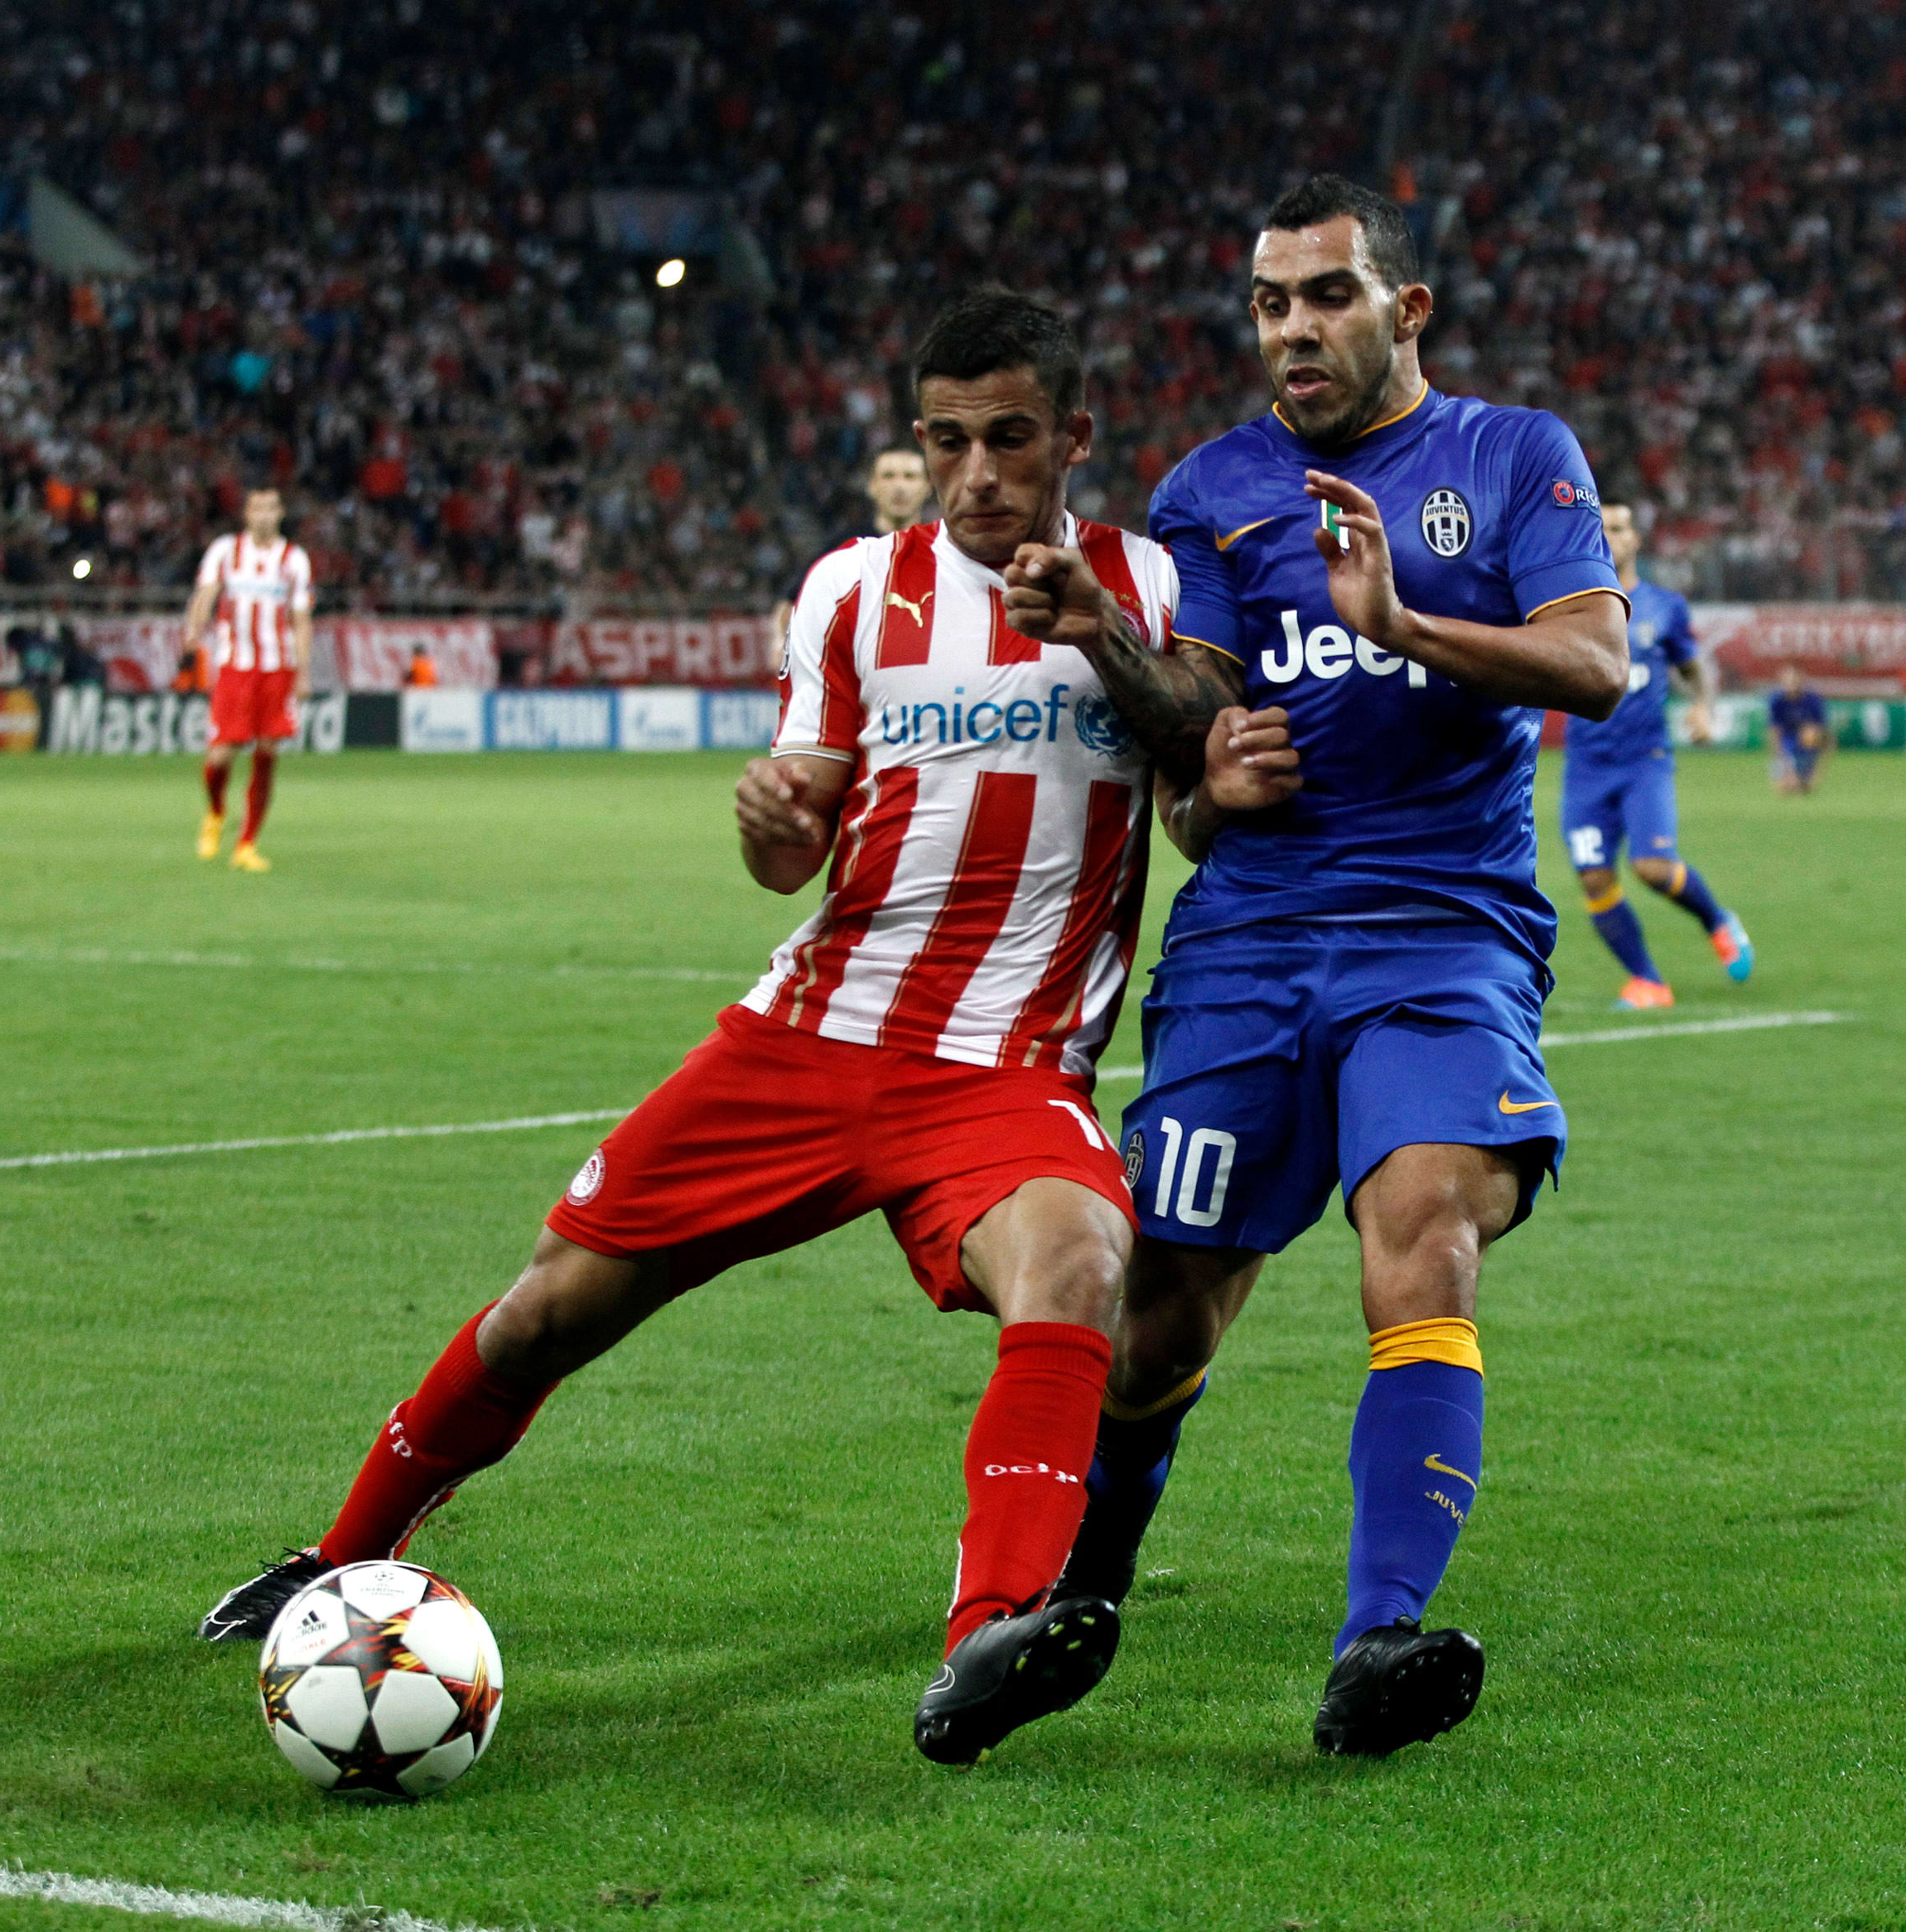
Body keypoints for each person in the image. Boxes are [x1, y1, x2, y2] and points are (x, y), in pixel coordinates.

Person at [202, 291, 1238, 1768]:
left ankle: (989, 1638)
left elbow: (1203, 747)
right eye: (949, 440)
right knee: (548, 1309)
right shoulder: (851, 591)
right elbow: (793, 844)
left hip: (1004, 1068)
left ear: (1072, 436)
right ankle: (337, 1557)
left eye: (1010, 438)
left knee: (1076, 1260)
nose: (976, 474)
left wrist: (1102, 636)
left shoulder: (1150, 580)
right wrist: (773, 824)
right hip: (807, 1041)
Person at [1003, 174, 1629, 1757]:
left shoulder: (1514, 455)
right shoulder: (1215, 486)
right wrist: (1146, 685)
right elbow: (1193, 736)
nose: (1293, 327)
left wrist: (1406, 623)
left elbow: (1596, 662)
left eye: (1328, 295)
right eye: (1271, 302)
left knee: (1424, 1235)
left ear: (1405, 308)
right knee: (1164, 1314)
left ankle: (1379, 1638)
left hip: (1444, 933)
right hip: (1252, 941)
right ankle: (1082, 1595)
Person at [1559, 503, 1753, 1011]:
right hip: (1585, 766)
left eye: (1618, 528)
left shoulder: (1663, 606)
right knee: (1594, 876)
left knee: (1651, 867)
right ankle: (1647, 981)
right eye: (1599, 528)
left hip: (1644, 760)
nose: (1608, 536)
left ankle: (1717, 921)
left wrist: (1704, 708)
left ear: (1636, 540)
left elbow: (1693, 667)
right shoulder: (1566, 605)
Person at [182, 487, 313, 872]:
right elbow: (206, 593)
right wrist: (194, 627)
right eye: (257, 508)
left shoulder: (294, 559)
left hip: (277, 667)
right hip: (234, 666)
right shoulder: (226, 551)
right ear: (247, 514)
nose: (264, 515)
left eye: (271, 508)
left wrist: (303, 673)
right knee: (221, 753)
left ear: (281, 513)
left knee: (267, 752)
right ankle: (216, 811)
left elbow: (301, 620)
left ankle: (246, 844)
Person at [769, 446, 934, 642]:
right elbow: (790, 602)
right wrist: (780, 644)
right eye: (888, 476)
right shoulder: (844, 547)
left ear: (928, 487)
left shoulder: (942, 548)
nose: (899, 487)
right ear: (871, 486)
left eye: (910, 477)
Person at [1766, 662, 1831, 796]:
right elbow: (1774, 733)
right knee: (1783, 789)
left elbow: (1825, 736)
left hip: (1807, 747)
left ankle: (1805, 770)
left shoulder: (1813, 700)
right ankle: (1791, 774)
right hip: (1786, 744)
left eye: (1795, 679)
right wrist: (1782, 762)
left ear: (1802, 679)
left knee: (1811, 733)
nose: (1792, 683)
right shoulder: (1777, 701)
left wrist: (1819, 771)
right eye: (1788, 679)